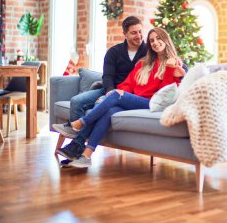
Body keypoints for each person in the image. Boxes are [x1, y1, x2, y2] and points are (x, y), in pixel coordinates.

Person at [55, 27, 186, 168]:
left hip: (153, 103)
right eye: (152, 40)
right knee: (109, 111)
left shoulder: (175, 64)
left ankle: (79, 124)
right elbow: (128, 84)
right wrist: (108, 97)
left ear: (166, 39)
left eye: (158, 38)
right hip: (135, 100)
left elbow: (165, 93)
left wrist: (169, 70)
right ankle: (86, 155)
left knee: (116, 95)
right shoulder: (144, 63)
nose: (155, 42)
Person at [53, 16, 147, 157]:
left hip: (129, 94)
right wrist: (109, 91)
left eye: (140, 31)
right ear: (125, 34)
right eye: (134, 32)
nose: (138, 36)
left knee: (101, 105)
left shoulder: (148, 52)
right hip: (109, 89)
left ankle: (76, 146)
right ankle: (76, 146)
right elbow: (107, 76)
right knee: (76, 101)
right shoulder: (114, 52)